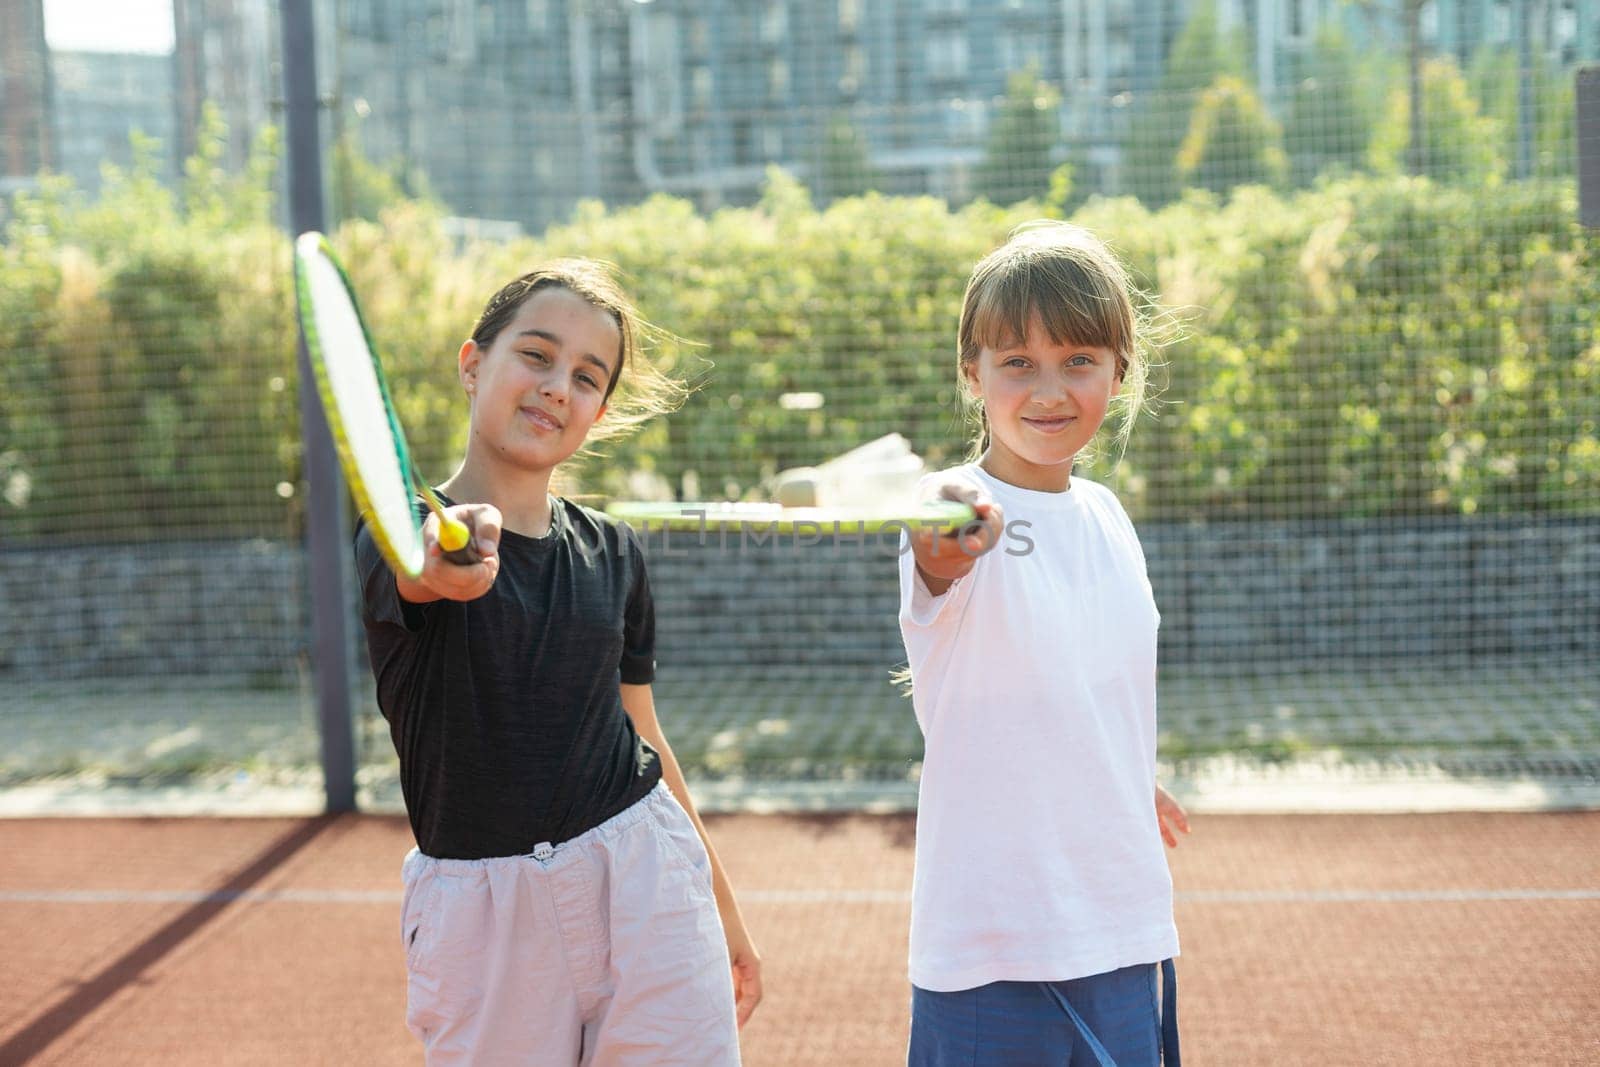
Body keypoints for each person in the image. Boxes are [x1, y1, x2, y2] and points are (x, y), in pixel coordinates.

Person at [355, 260, 761, 1064]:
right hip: (483, 915)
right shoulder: (399, 534)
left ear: (597, 411)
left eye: (585, 376)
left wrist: (727, 913)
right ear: (474, 365)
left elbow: (644, 731)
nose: (555, 386)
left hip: (648, 880)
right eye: (536, 355)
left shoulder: (615, 553)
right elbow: (424, 571)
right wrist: (447, 551)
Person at [898, 222, 1190, 1066]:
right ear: (972, 373)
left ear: (1119, 372)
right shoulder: (951, 507)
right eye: (1017, 362)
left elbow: (1093, 683)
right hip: (991, 954)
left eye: (1079, 360)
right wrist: (948, 528)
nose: (1050, 389)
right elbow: (940, 550)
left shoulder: (1108, 516)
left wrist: (1126, 775)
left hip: (1124, 930)